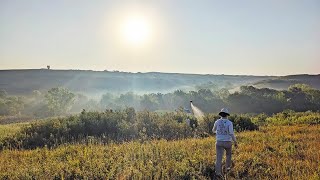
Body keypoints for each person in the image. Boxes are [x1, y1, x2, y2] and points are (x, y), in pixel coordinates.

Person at [212, 108, 238, 177]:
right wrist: (235, 142)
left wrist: (218, 133)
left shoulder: (217, 122)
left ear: (221, 114)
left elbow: (213, 130)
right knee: (228, 156)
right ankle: (227, 170)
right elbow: (231, 133)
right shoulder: (229, 123)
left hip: (219, 142)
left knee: (218, 158)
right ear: (227, 115)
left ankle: (218, 173)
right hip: (228, 142)